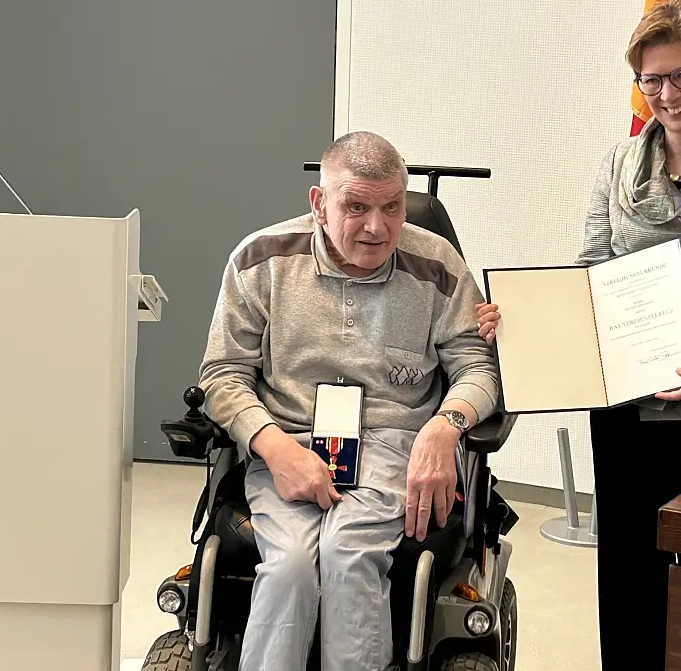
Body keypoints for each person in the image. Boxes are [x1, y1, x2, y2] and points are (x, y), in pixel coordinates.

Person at [477, 0, 681, 670]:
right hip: (625, 407)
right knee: (626, 576)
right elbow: (589, 274)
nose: (666, 93)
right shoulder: (618, 166)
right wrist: (523, 320)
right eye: (650, 79)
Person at [198, 131, 499, 671]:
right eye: (355, 206)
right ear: (319, 204)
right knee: (289, 564)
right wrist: (275, 449)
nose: (377, 227)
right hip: (286, 440)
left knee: (347, 553)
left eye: (391, 207)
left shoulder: (436, 264)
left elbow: (477, 367)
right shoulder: (259, 261)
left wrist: (445, 426)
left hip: (393, 442)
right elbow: (222, 374)